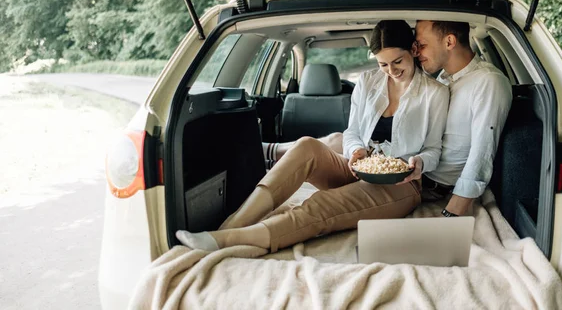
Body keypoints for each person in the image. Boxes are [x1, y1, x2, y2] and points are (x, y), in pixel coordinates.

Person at [176, 20, 450, 252]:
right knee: (306, 146)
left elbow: (434, 150)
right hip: (361, 169)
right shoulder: (368, 82)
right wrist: (355, 151)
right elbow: (353, 131)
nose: (391, 71)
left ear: (413, 50)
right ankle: (234, 222)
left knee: (321, 204)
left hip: (401, 184)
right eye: (383, 64)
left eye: (397, 61)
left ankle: (229, 240)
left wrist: (420, 164)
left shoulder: (435, 93)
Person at [414, 20, 512, 216]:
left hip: (431, 186)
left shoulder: (487, 81)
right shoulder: (443, 79)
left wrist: (453, 212)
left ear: (449, 41)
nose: (417, 53)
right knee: (336, 142)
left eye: (422, 45)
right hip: (415, 170)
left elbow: (482, 153)